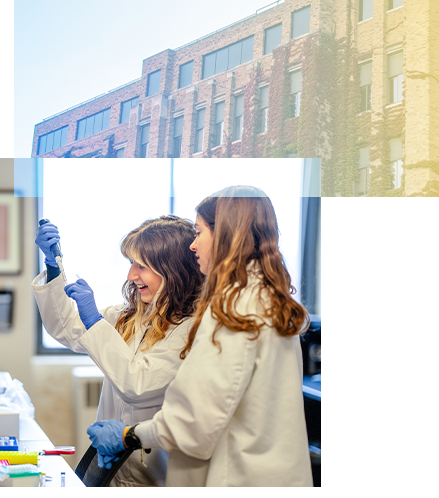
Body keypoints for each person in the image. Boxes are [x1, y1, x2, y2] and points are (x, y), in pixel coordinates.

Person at [87, 186, 314, 487]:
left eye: (198, 232)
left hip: (238, 478)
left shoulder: (233, 310)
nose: (192, 245)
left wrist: (129, 436)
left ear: (225, 235)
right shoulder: (268, 300)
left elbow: (192, 423)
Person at [32, 215, 204, 487]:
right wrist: (53, 267)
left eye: (142, 266)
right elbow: (66, 329)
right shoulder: (130, 317)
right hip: (113, 471)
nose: (131, 275)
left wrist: (95, 323)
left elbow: (138, 385)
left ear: (174, 270)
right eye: (131, 263)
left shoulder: (191, 330)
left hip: (156, 478)